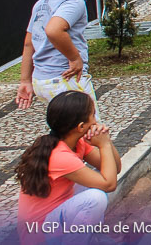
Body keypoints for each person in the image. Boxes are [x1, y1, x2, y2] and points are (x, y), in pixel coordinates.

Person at [16, 91, 120, 243]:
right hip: (40, 234)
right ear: (81, 126)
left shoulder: (76, 142)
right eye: (93, 115)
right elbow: (109, 184)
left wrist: (106, 140)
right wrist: (103, 145)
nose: (95, 120)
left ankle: (90, 238)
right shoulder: (60, 156)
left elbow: (114, 168)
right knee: (96, 197)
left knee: (101, 177)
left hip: (56, 217)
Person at [16, 0, 99, 115]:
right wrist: (75, 58)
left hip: (42, 81)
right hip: (65, 80)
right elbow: (53, 30)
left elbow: (28, 43)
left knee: (67, 134)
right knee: (94, 132)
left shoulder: (42, 3)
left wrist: (25, 80)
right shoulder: (73, 1)